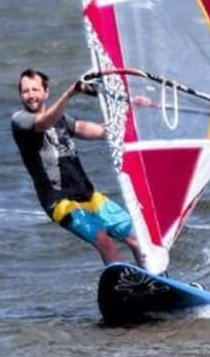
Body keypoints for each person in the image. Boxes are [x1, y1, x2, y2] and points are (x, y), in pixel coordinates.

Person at [10, 67, 145, 267]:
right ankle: (129, 286)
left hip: (88, 195)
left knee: (138, 239)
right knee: (103, 240)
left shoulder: (63, 120)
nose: (30, 95)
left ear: (45, 92)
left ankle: (158, 281)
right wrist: (70, 93)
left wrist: (132, 110)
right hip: (60, 202)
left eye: (35, 90)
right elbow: (44, 122)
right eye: (25, 91)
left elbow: (102, 131)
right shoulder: (21, 120)